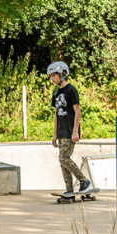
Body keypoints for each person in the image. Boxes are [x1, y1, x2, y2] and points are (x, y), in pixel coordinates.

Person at [48, 61, 91, 195]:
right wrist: (55, 134)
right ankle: (69, 190)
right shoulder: (56, 92)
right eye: (50, 76)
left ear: (62, 74)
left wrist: (75, 131)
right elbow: (56, 114)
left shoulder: (71, 90)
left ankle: (84, 180)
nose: (51, 79)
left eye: (53, 75)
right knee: (63, 161)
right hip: (61, 131)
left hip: (70, 131)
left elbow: (77, 111)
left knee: (63, 158)